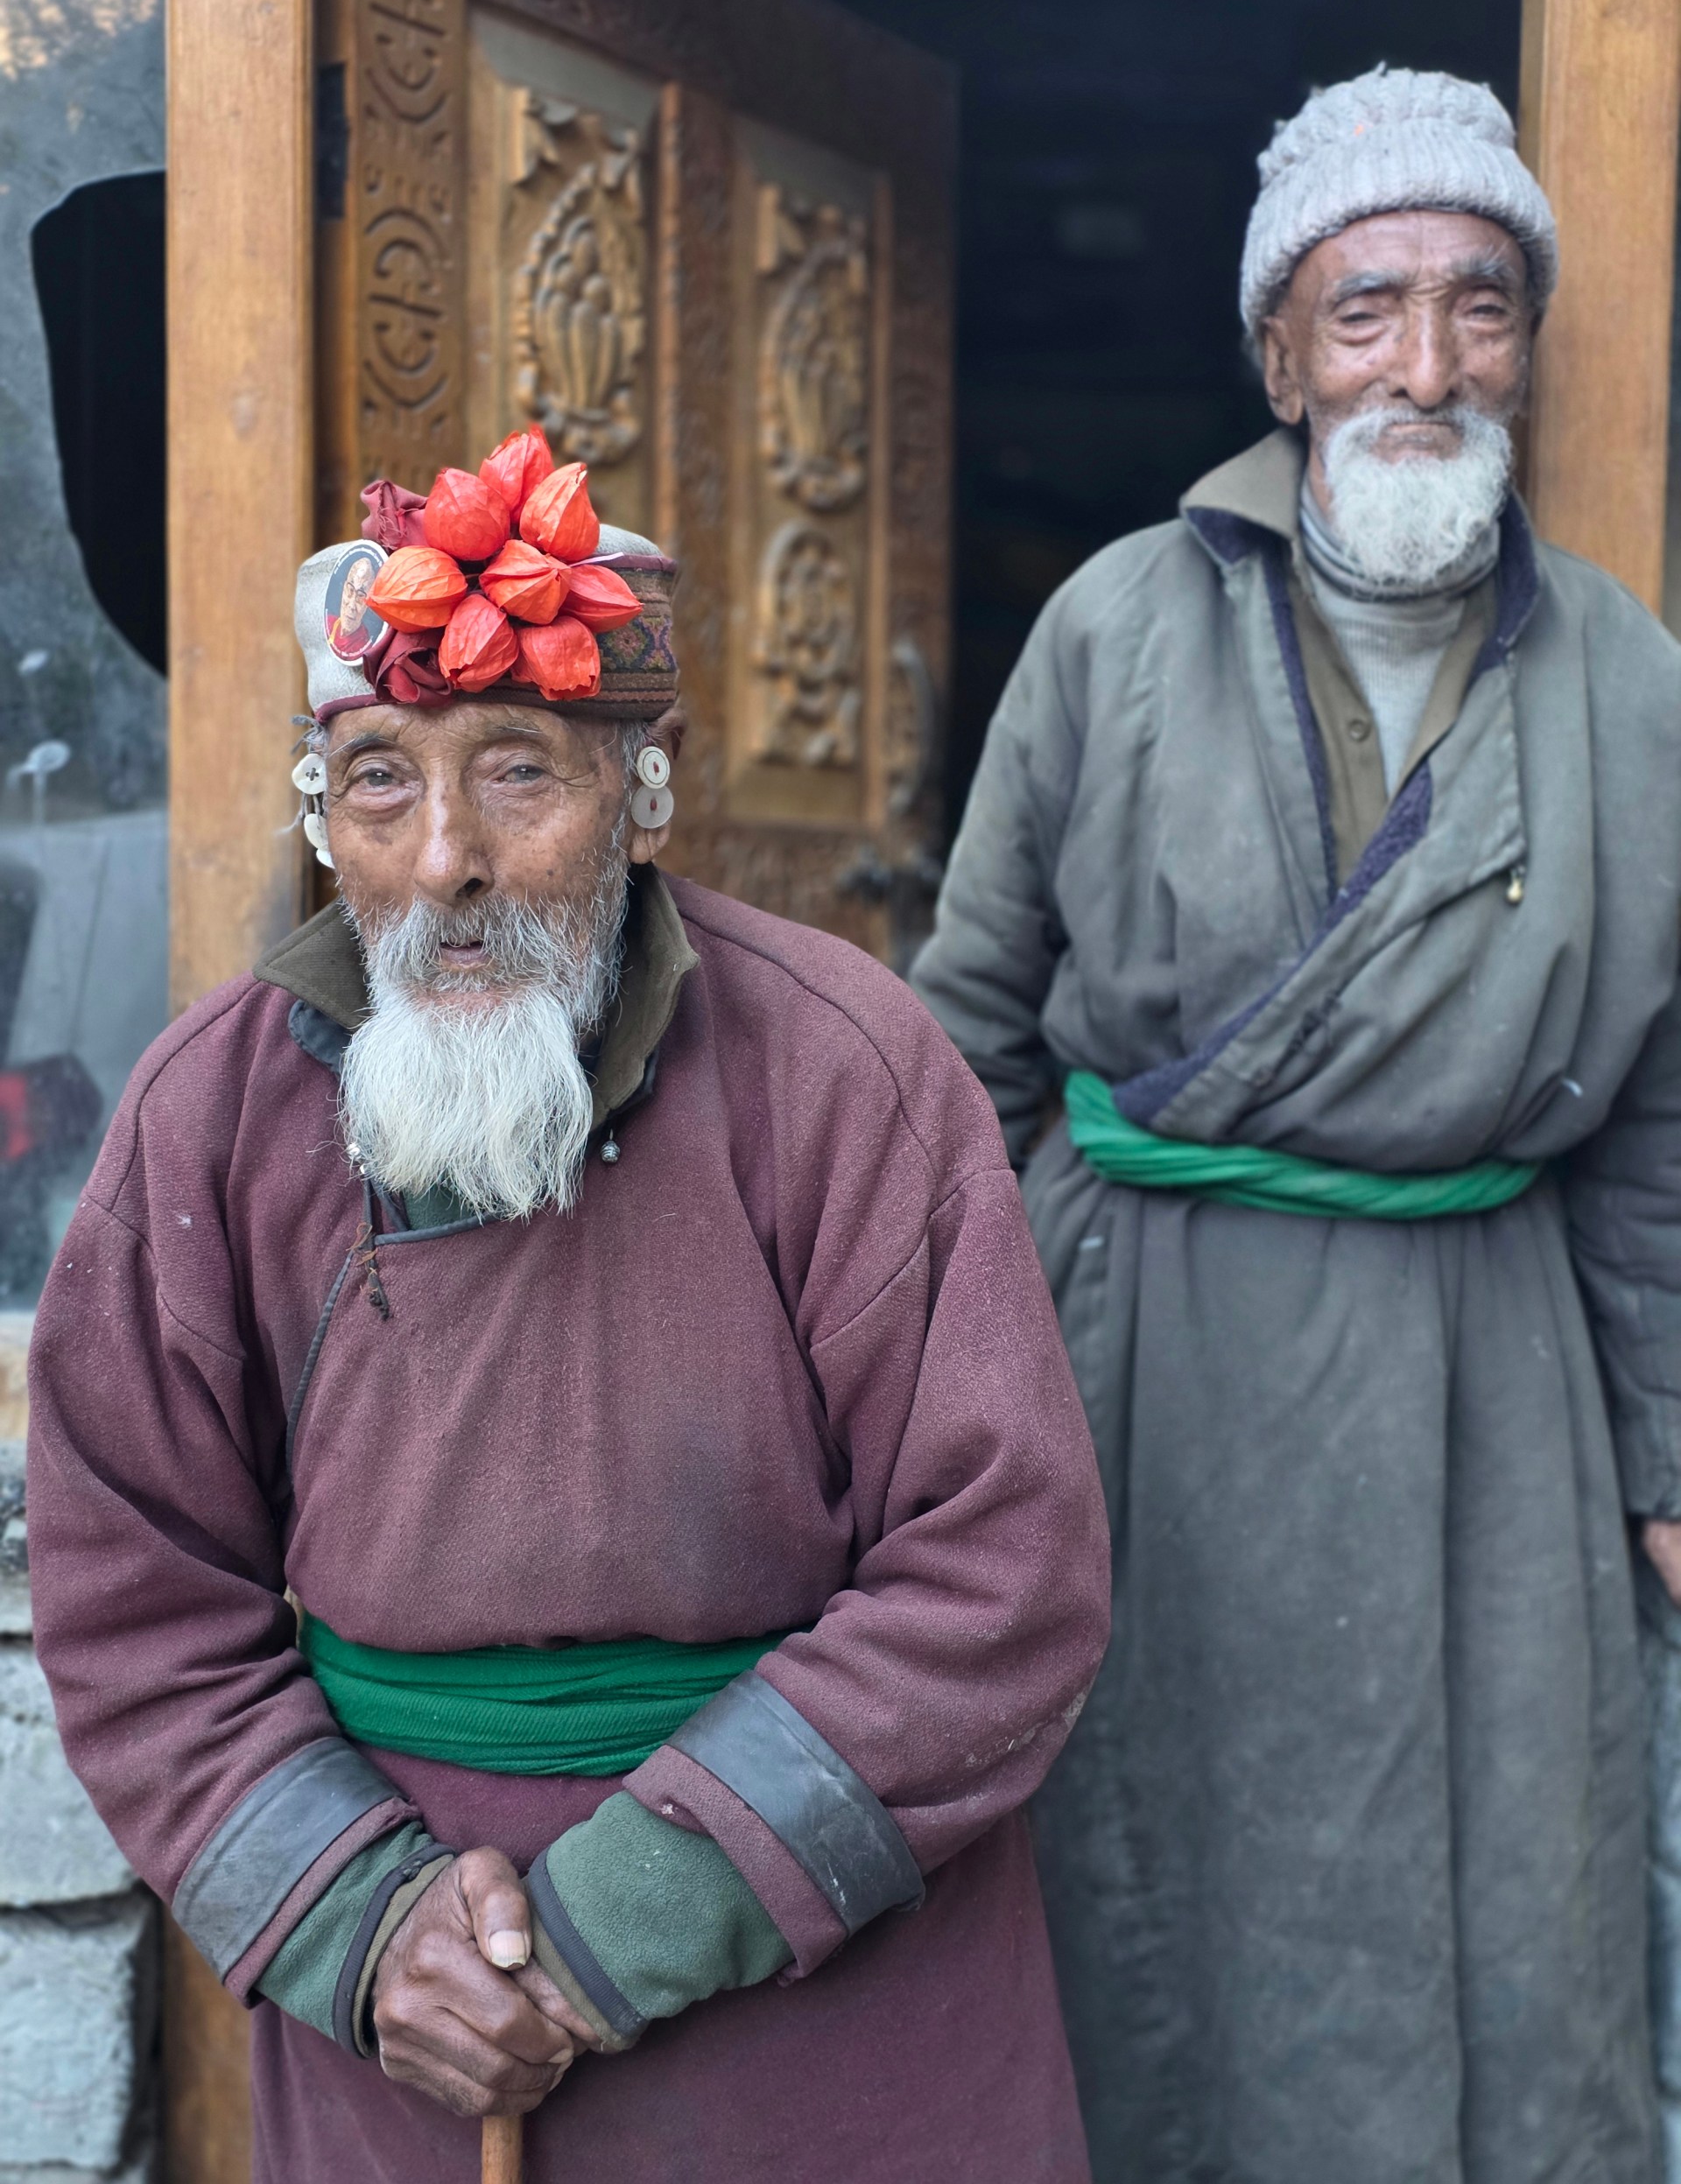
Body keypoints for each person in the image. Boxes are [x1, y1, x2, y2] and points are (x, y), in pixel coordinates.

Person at [25, 439, 1110, 2182]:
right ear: (322, 817)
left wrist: (614, 1923)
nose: (444, 858)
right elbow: (135, 1597)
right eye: (380, 782)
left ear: (644, 796)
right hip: (406, 2030)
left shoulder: (846, 1072)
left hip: (827, 2009)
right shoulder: (207, 1117)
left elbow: (1004, 1569)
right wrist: (373, 1932)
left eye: (517, 771)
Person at [911, 66, 1681, 2183]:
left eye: (1479, 305)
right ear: (1281, 358)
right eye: (1368, 310)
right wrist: (949, 1415)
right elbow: (961, 1040)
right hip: (1152, 1360)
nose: (1426, 366)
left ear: (1526, 343)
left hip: (1488, 1379)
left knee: (1515, 1879)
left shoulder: (1628, 678)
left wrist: (1670, 1452)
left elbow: (1657, 1118)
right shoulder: (1115, 626)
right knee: (1155, 1892)